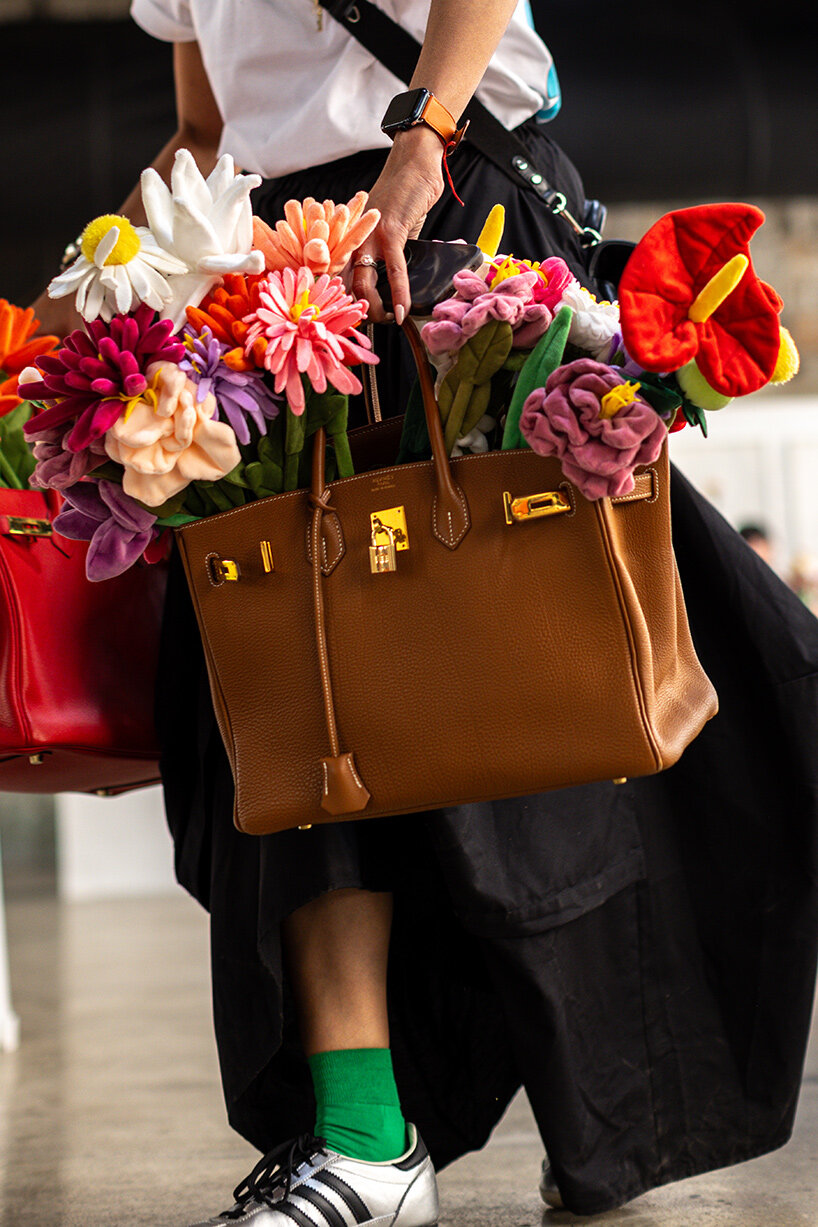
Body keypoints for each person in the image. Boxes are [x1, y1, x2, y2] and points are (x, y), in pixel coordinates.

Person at [33, 2, 818, 1223]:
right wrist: (121, 276)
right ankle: (362, 1140)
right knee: (296, 710)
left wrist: (423, 138)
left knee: (538, 700)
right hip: (272, 277)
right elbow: (203, 128)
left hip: (450, 215)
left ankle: (600, 1109)